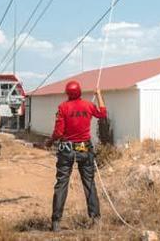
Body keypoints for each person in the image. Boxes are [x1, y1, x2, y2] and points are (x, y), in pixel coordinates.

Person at [45, 81, 107, 232]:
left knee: (61, 184)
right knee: (89, 183)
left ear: (67, 93)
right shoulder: (88, 105)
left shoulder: (63, 107)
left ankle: (56, 222)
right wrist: (99, 95)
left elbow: (59, 132)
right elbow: (103, 114)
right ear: (80, 91)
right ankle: (95, 219)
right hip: (85, 149)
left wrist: (50, 141)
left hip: (66, 150)